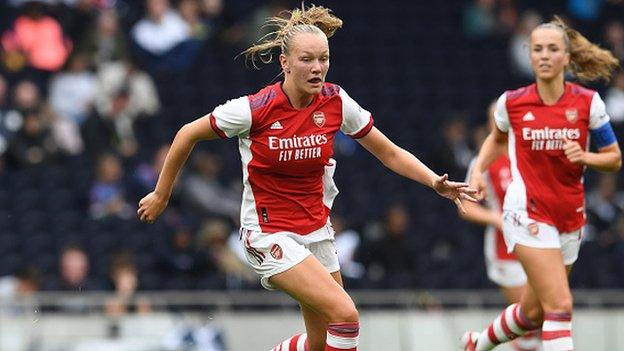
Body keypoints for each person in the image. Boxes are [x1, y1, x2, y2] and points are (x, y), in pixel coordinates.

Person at [137, 5, 475, 351]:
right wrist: (161, 194)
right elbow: (186, 134)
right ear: (284, 62)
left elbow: (388, 153)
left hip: (317, 232)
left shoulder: (335, 101)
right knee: (346, 315)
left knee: (319, 340)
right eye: (306, 59)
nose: (317, 68)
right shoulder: (254, 109)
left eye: (323, 59)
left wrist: (434, 181)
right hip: (268, 235)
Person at [461, 16, 621, 351]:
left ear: (567, 56)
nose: (544, 55)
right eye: (537, 49)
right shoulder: (513, 102)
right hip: (527, 214)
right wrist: (477, 173)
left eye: (552, 49)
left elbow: (614, 158)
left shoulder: (588, 102)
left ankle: (479, 343)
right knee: (559, 306)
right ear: (530, 56)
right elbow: (496, 139)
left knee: (533, 312)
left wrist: (586, 157)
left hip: (569, 216)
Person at [460, 101, 540, 351]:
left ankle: (480, 342)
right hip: (505, 250)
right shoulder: (482, 162)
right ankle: (482, 343)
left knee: (540, 317)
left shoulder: (534, 155)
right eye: (495, 117)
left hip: (540, 244)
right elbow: (466, 206)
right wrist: (498, 220)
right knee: (528, 318)